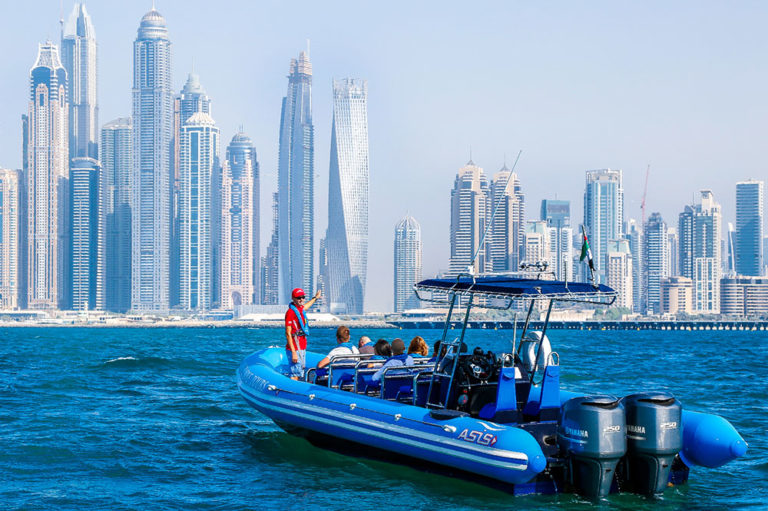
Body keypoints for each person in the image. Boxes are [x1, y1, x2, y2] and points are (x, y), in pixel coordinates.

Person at [285, 287, 321, 380]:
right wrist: (293, 352)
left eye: (303, 297)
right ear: (293, 298)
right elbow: (288, 333)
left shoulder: (300, 309)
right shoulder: (290, 312)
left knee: (300, 370)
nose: (301, 299)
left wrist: (315, 298)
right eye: (298, 298)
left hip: (302, 345)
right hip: (295, 346)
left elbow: (306, 306)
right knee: (295, 372)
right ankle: (292, 391)